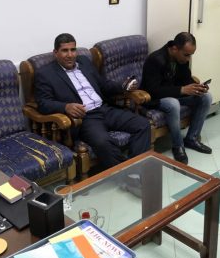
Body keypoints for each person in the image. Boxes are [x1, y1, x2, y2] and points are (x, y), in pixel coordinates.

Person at [35, 33, 151, 169]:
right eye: (65, 51)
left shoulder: (84, 62)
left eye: (73, 50)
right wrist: (65, 107)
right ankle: (124, 173)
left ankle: (137, 168)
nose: (70, 55)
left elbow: (103, 85)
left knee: (143, 124)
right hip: (86, 118)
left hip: (105, 109)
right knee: (103, 142)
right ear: (55, 53)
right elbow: (43, 103)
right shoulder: (45, 74)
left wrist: (123, 86)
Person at [140, 32, 212, 164]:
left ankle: (192, 138)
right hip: (155, 99)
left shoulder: (181, 59)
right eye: (186, 54)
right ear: (174, 49)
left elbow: (186, 79)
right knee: (173, 104)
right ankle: (178, 146)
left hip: (175, 95)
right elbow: (152, 90)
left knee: (206, 97)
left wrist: (197, 87)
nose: (188, 59)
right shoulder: (155, 60)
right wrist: (182, 90)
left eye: (190, 55)